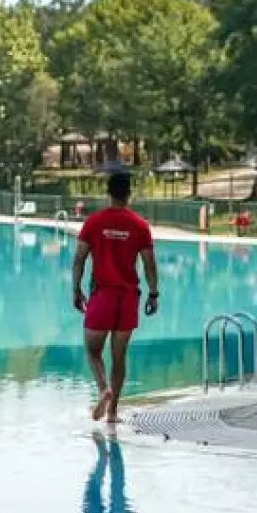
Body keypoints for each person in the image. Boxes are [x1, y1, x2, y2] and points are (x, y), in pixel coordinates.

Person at [71, 172, 159, 423]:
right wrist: (153, 294)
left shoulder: (94, 222)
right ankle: (113, 412)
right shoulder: (139, 225)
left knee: (92, 350)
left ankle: (103, 389)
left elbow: (79, 259)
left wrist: (76, 289)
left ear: (108, 193)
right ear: (128, 194)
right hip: (128, 298)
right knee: (119, 356)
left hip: (103, 295)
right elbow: (149, 264)